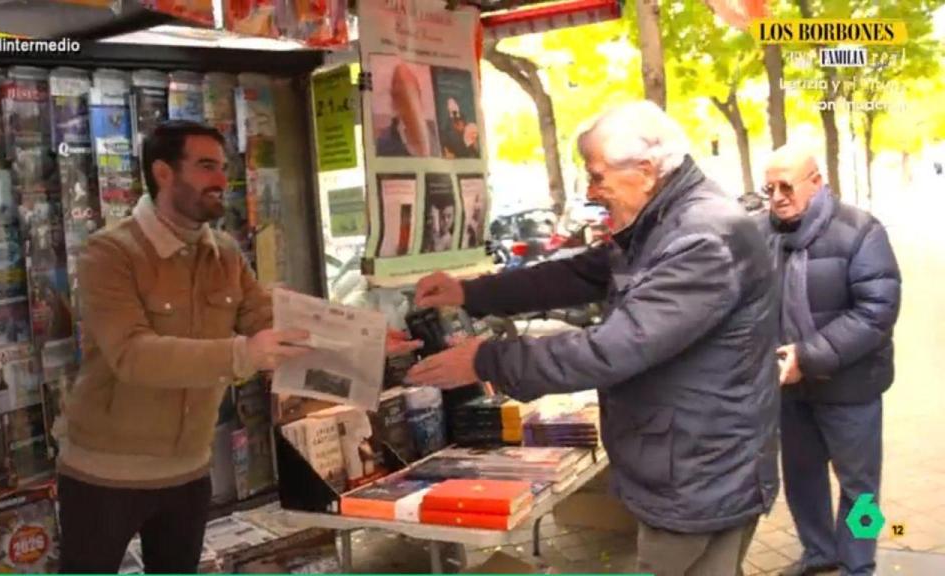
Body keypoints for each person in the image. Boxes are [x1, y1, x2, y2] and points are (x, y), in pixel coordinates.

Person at [407, 100, 780, 576]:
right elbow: (580, 273)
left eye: (597, 176)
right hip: (695, 460)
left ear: (645, 170)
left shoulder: (702, 236)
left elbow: (614, 348)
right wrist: (470, 292)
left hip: (700, 471)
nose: (590, 191)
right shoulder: (664, 220)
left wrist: (488, 360)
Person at [56, 120, 419, 573]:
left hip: (188, 472)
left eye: (223, 168)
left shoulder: (225, 253)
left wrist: (364, 342)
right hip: (104, 474)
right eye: (206, 166)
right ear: (164, 173)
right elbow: (132, 354)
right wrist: (242, 353)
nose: (221, 181)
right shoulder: (110, 253)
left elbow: (272, 323)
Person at [758, 144, 901, 576]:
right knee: (802, 480)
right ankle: (819, 553)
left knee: (861, 489)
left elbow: (877, 311)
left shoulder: (861, 230)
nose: (777, 197)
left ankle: (859, 563)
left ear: (816, 182)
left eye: (787, 186)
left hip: (851, 388)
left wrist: (807, 356)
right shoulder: (760, 235)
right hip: (789, 389)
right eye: (769, 188)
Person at [376, 63, 440, 158]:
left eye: (411, 90)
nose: (408, 99)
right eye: (401, 93)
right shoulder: (383, 145)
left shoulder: (437, 131)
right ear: (394, 99)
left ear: (418, 93)